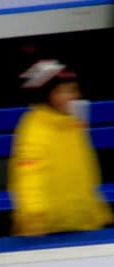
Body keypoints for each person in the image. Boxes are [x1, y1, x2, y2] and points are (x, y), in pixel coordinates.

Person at [9, 60, 111, 236]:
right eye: (64, 91)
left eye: (74, 89)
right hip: (46, 225)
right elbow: (28, 174)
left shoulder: (73, 124)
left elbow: (86, 171)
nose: (72, 96)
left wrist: (96, 210)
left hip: (80, 219)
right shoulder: (34, 128)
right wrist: (34, 214)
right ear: (48, 95)